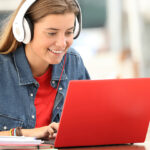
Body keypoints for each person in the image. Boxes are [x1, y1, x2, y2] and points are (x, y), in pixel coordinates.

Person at [0, 0, 90, 139]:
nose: (61, 43)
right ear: (24, 30)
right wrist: (24, 133)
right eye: (52, 33)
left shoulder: (73, 62)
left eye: (69, 32)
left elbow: (89, 123)